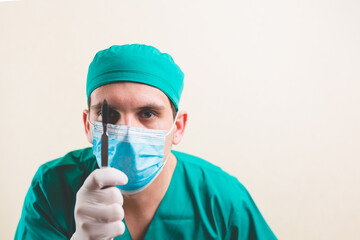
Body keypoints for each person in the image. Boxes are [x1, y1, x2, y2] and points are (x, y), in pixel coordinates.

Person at [15, 44, 277, 240]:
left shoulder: (221, 198)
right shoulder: (52, 187)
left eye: (148, 114)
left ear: (179, 127)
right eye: (108, 114)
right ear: (88, 124)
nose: (127, 131)